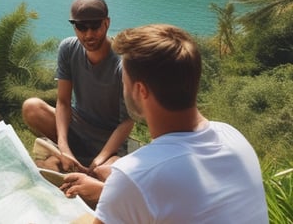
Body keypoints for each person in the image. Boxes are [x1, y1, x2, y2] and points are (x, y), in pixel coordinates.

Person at [63, 24, 268, 223]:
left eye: (124, 84)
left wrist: (119, 188)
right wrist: (110, 191)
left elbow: (149, 183)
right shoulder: (233, 137)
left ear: (140, 91)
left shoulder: (134, 177)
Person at [22, 0, 133, 174]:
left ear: (107, 23)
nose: (88, 34)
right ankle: (67, 156)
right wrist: (64, 147)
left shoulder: (122, 64)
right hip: (77, 127)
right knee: (31, 107)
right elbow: (63, 102)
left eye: (95, 26)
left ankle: (80, 165)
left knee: (109, 174)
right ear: (74, 27)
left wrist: (100, 159)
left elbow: (127, 121)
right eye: (81, 27)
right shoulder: (68, 48)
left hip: (108, 139)